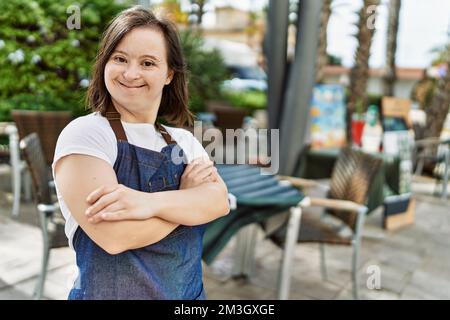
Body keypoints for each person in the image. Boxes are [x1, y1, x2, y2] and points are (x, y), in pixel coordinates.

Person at [52, 6, 230, 300]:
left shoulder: (183, 140)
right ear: (104, 64)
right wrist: (187, 202)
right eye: (120, 58)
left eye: (148, 63)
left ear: (169, 74)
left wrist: (146, 203)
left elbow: (218, 202)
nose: (131, 73)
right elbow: (114, 236)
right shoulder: (87, 134)